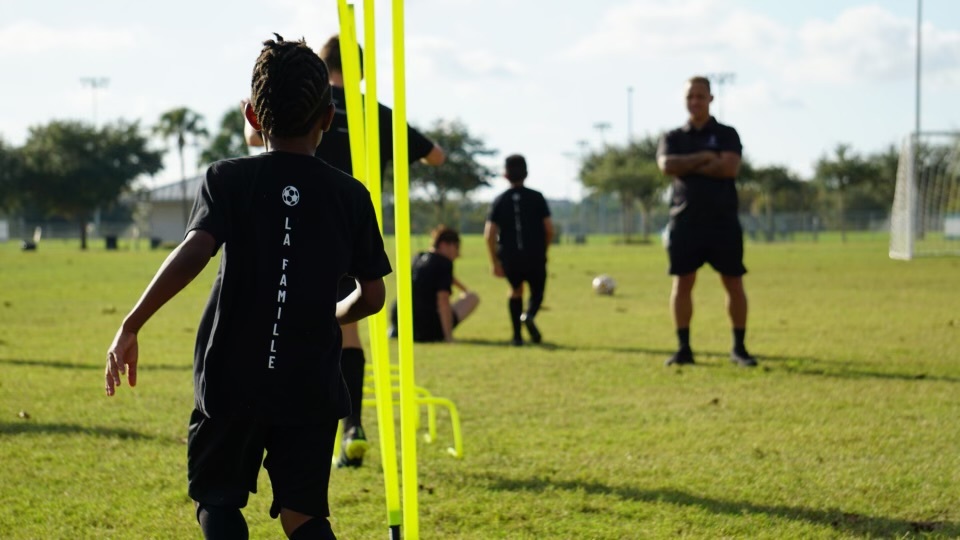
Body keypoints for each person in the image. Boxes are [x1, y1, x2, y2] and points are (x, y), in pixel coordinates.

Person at [104, 35, 392, 539]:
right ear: (328, 118)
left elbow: (193, 252)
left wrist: (131, 324)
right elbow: (372, 296)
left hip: (231, 378)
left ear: (253, 116)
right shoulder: (351, 196)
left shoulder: (227, 179)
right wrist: (333, 315)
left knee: (218, 501)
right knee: (304, 516)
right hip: (310, 383)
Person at [246, 34, 445, 468]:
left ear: (319, 65)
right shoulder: (375, 112)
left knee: (276, 322)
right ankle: (351, 426)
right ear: (360, 69)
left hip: (289, 225)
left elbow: (252, 132)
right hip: (348, 230)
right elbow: (437, 157)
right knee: (346, 330)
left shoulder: (302, 101)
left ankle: (277, 425)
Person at [656, 75, 757, 368]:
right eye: (690, 97)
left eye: (700, 96)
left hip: (722, 221)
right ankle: (683, 348)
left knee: (733, 283)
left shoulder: (727, 134)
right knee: (682, 283)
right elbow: (666, 166)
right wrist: (704, 157)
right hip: (684, 222)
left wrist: (687, 164)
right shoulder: (673, 137)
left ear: (711, 99)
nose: (695, 101)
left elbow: (728, 168)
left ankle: (739, 348)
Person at [484, 154, 554, 346]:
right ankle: (529, 315)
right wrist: (544, 250)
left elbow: (489, 234)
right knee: (537, 292)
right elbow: (549, 229)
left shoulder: (499, 200)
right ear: (526, 173)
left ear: (505, 175)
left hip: (510, 257)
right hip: (535, 255)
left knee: (515, 290)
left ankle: (517, 337)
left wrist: (494, 261)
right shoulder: (537, 198)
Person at [389, 226, 479, 343]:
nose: (458, 254)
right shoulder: (444, 263)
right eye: (456, 247)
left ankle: (395, 331)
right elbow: (443, 301)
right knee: (473, 298)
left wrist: (464, 289)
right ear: (444, 245)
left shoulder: (419, 257)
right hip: (426, 327)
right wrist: (448, 337)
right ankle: (442, 333)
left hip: (400, 321)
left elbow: (445, 278)